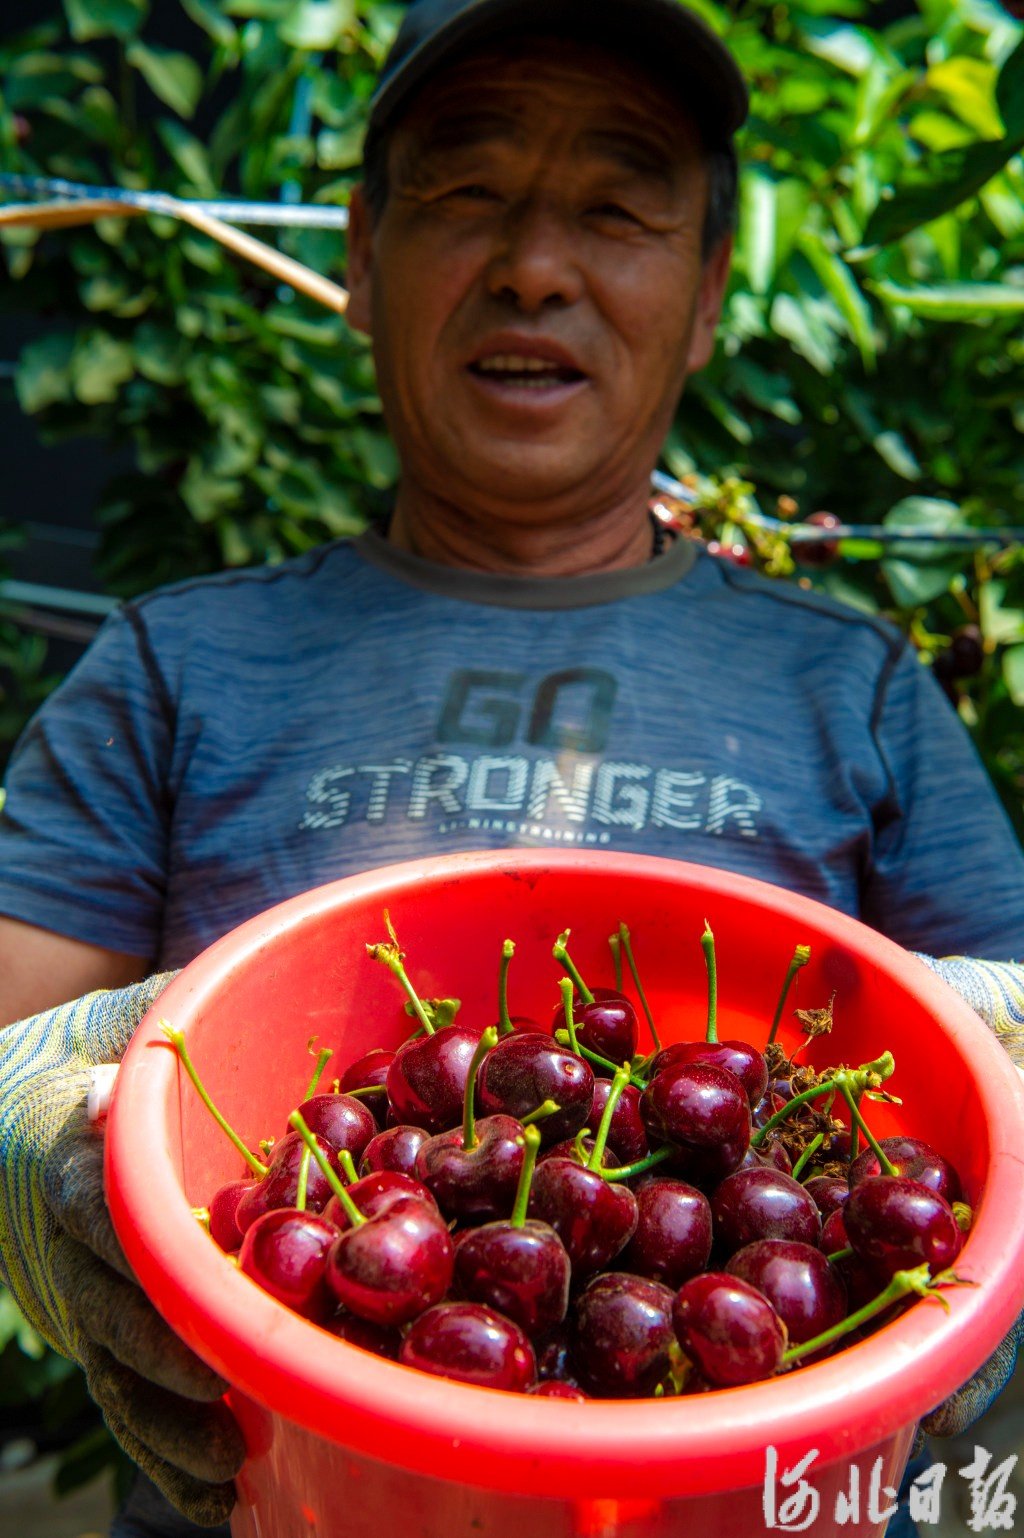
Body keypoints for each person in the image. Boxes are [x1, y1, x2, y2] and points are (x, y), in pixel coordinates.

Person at [0, 2, 1022, 1535]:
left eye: (617, 207)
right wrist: (32, 1147)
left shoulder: (851, 686)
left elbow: (1003, 1040)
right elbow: (10, 1044)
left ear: (704, 296)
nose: (536, 264)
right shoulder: (173, 668)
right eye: (468, 192)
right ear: (358, 255)